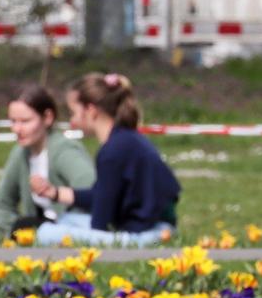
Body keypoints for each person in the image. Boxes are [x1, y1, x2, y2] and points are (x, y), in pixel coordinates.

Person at [30, 73, 180, 247]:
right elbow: (102, 194)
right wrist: (55, 193)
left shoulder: (112, 152)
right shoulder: (127, 139)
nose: (72, 120)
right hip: (159, 229)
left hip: (141, 236)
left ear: (91, 111)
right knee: (68, 219)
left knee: (45, 233)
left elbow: (101, 224)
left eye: (74, 113)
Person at [0, 84, 96, 238]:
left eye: (25, 121)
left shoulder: (65, 150)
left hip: (71, 232)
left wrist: (64, 230)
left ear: (47, 117)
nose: (17, 129)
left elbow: (91, 190)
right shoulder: (20, 153)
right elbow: (1, 205)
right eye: (13, 121)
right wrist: (19, 233)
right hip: (40, 233)